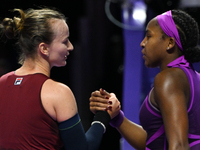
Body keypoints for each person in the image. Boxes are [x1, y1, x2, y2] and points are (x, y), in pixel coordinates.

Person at [0, 8, 121, 149]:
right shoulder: (59, 92)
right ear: (44, 48)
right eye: (65, 41)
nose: (71, 47)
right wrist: (103, 116)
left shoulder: (2, 82)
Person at [90, 9, 200, 150]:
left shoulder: (168, 79)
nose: (142, 43)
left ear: (170, 42)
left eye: (148, 36)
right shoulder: (192, 77)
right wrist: (117, 118)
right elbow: (155, 143)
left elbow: (179, 146)